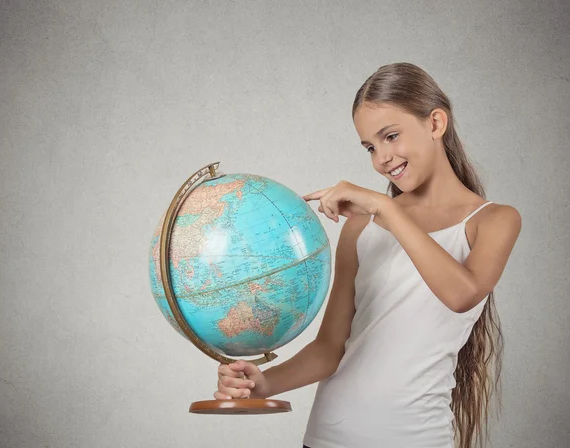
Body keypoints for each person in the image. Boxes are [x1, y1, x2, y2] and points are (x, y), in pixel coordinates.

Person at [213, 62, 521, 448]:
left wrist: (387, 209)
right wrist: (264, 383)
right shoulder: (361, 229)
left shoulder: (493, 220)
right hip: (328, 437)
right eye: (371, 147)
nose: (382, 158)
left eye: (391, 136)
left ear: (436, 124)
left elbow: (462, 294)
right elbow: (330, 348)